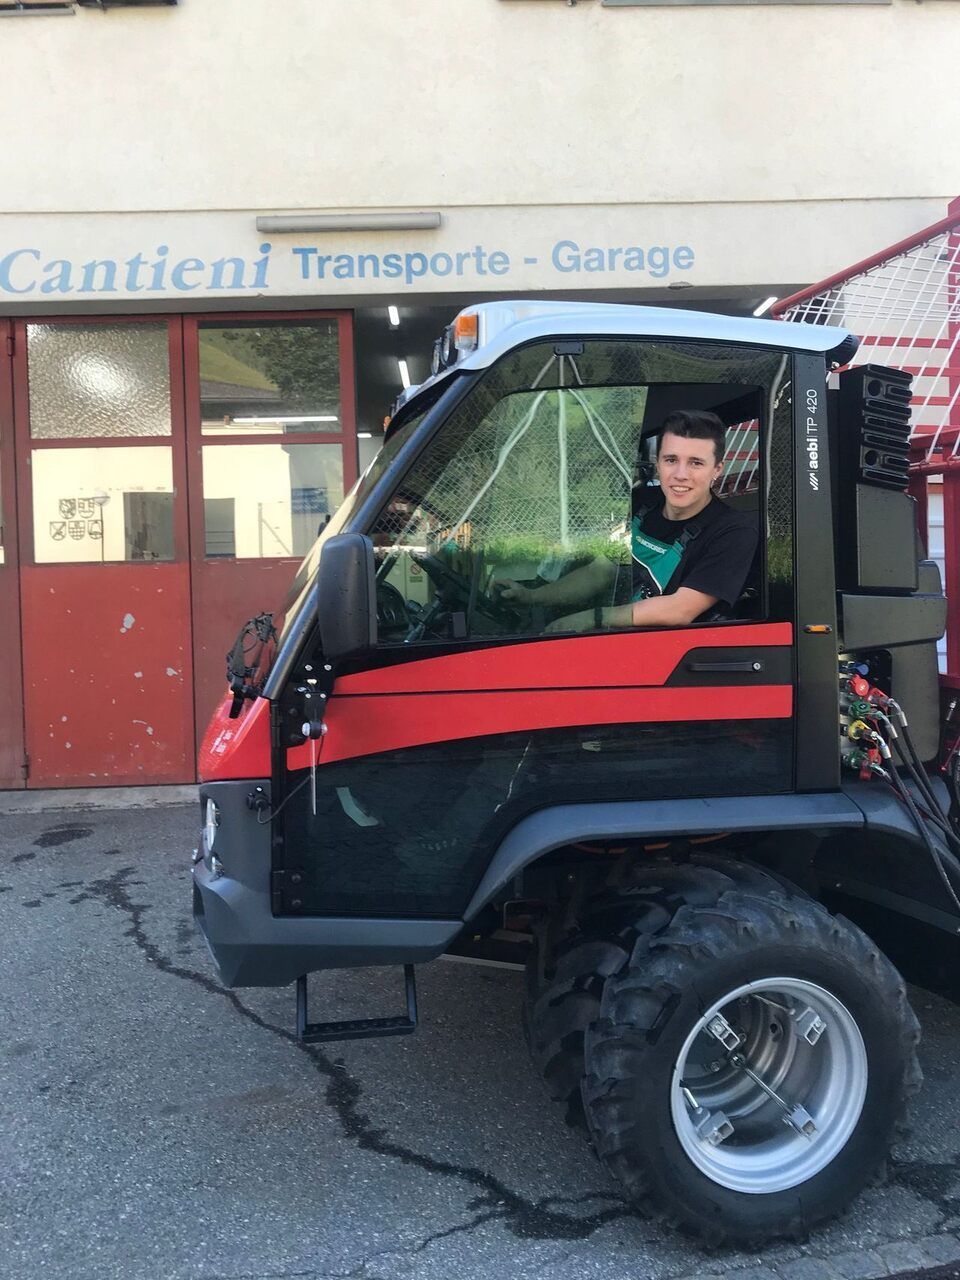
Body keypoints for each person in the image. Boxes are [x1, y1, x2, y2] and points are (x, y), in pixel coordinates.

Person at [497, 409, 759, 632]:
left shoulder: (733, 531)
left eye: (696, 463)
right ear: (658, 463)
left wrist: (592, 619)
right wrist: (530, 596)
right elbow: (600, 572)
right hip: (614, 642)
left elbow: (680, 609)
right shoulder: (641, 503)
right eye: (671, 460)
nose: (681, 474)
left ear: (717, 469)